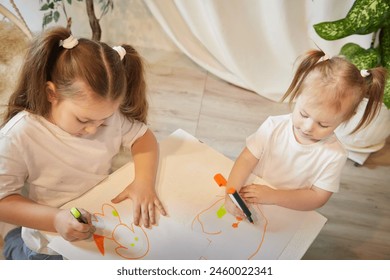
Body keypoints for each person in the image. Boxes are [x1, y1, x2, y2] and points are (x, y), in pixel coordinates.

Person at [0, 26, 166, 259]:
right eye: (83, 120)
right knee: (20, 250)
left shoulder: (106, 116)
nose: (93, 129)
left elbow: (143, 137)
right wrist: (55, 218)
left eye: (104, 120)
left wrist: (144, 183)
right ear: (52, 94)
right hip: (48, 244)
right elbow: (3, 201)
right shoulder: (20, 134)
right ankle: (13, 242)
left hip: (95, 230)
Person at [225, 49, 386, 217]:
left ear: (345, 119)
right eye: (304, 114)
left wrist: (273, 196)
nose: (308, 127)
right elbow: (246, 158)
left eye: (323, 124)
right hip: (249, 192)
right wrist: (231, 193)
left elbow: (318, 197)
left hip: (287, 210)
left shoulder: (334, 155)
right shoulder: (274, 126)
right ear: (298, 96)